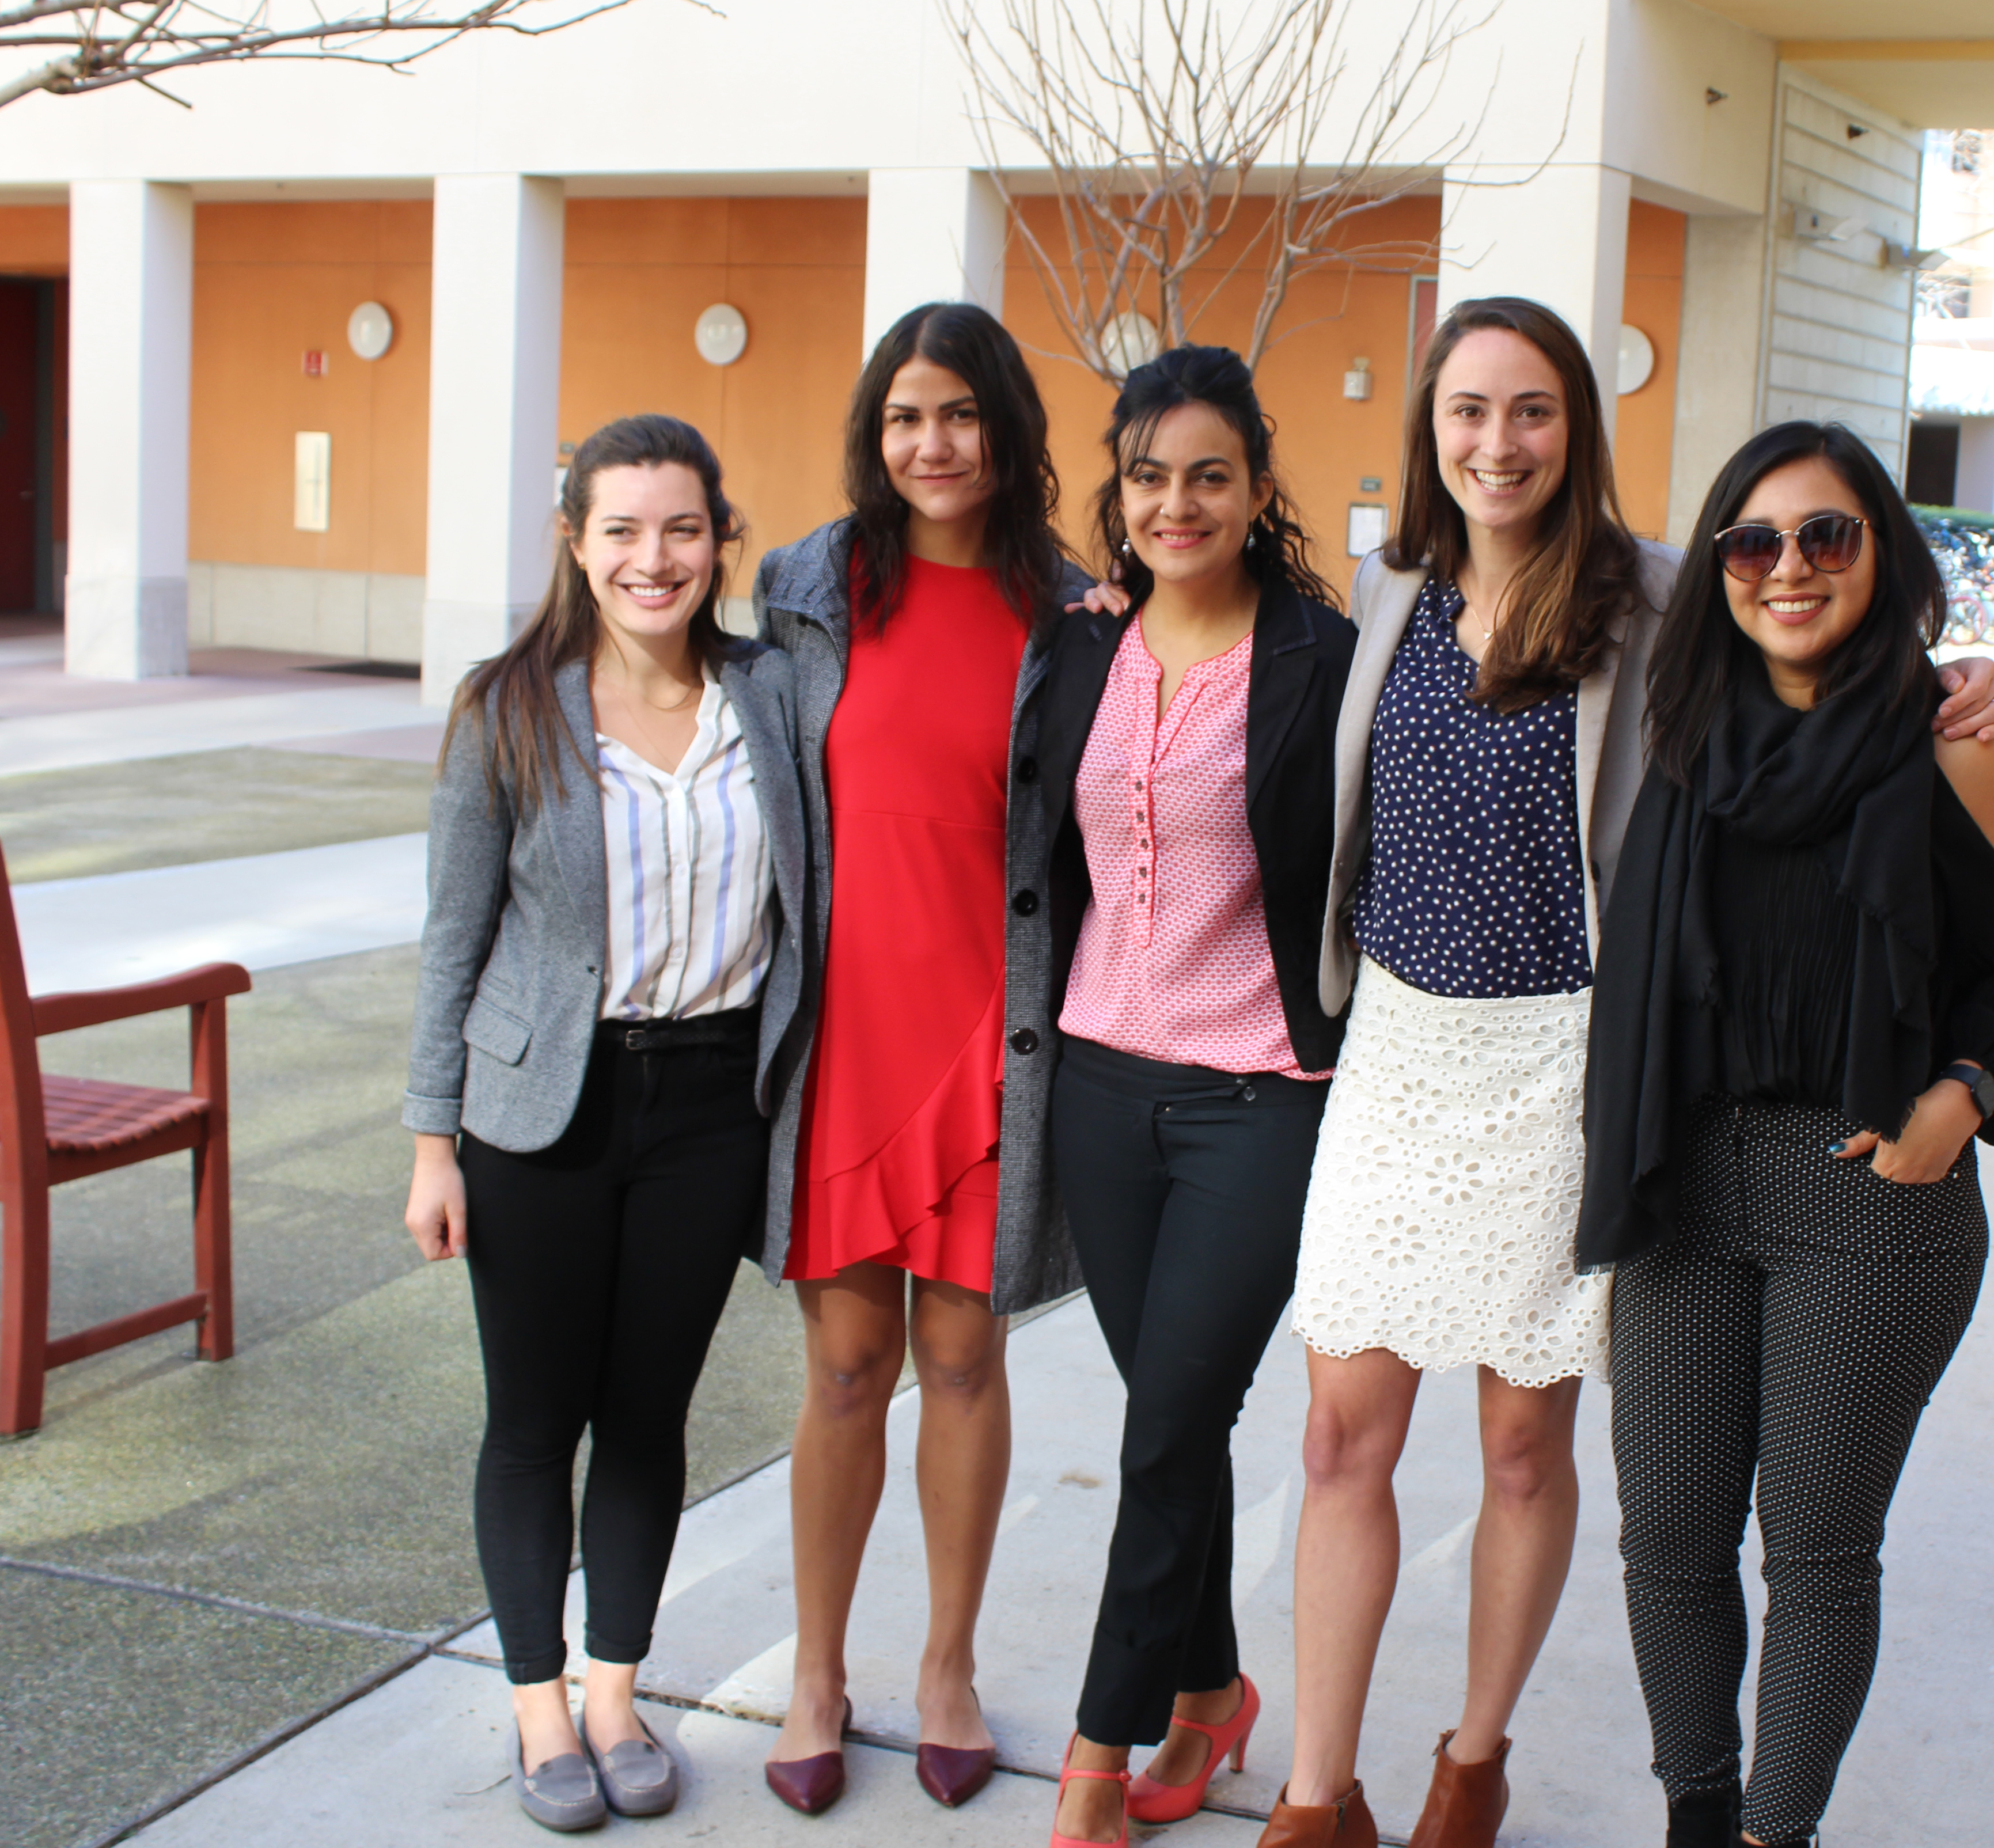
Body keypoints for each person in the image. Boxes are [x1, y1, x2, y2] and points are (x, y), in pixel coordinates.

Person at [1265, 299, 1994, 1848]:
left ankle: (1471, 1767)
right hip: (1401, 1053)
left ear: (1577, 429)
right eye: (1468, 410)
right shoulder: (1390, 585)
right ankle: (1312, 1793)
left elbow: (1818, 672)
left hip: (1572, 1057)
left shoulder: (1664, 594)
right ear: (1430, 427)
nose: (1498, 442)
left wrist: (1959, 697)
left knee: (1524, 1442)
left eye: (1532, 410)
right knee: (1341, 1432)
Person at [1581, 419, 1994, 1848]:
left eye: (1824, 536)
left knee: (1811, 1553)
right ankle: (1696, 1809)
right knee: (1667, 1535)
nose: (1785, 567)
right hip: (1687, 1180)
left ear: (1882, 554)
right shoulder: (1684, 742)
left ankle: (1769, 1835)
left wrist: (1955, 1103)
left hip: (1868, 1200)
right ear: (1720, 566)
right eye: (1752, 540)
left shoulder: (1951, 746)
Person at [402, 413, 805, 1834]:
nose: (654, 557)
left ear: (719, 539)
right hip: (538, 1113)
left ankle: (618, 1691)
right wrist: (432, 1142)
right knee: (534, 1422)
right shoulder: (507, 706)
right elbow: (452, 941)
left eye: (682, 528)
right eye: (622, 529)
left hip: (708, 1105)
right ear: (576, 541)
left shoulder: (772, 694)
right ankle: (535, 1707)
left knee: (645, 1416)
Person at [748, 301, 1090, 1817]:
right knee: (844, 1370)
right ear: (873, 436)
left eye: (958, 413)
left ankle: (946, 1666)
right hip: (842, 1041)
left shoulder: (1075, 614)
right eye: (904, 417)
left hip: (992, 1037)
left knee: (963, 1359)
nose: (931, 443)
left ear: (1007, 429)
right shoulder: (804, 593)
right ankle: (817, 1672)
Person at [1034, 346, 1357, 1848]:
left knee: (1170, 1430)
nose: (1177, 503)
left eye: (1209, 475)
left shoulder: (1322, 659)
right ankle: (1214, 1689)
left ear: (1257, 487)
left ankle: (1098, 1765)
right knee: (1176, 1424)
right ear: (1120, 489)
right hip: (1099, 1086)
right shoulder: (1080, 646)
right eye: (1149, 476)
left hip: (1259, 1097)